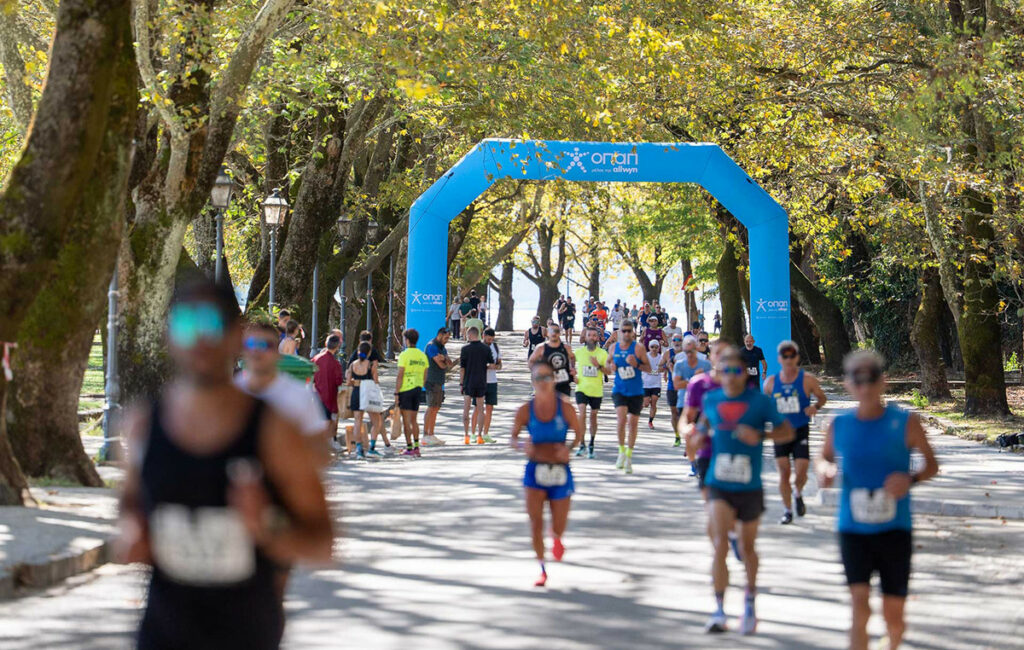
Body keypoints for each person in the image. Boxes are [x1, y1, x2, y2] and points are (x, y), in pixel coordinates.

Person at [118, 277, 332, 650]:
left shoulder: (275, 431)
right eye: (186, 324)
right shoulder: (141, 426)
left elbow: (323, 543)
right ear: (169, 335)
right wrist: (130, 537)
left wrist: (267, 527)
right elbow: (130, 510)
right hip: (161, 635)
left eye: (213, 323)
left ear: (235, 336)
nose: (200, 338)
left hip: (246, 633)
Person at [818, 350, 938, 650]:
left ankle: (892, 643)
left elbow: (931, 465)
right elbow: (823, 458)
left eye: (870, 377)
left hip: (894, 529)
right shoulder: (839, 424)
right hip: (853, 529)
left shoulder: (905, 422)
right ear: (847, 383)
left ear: (882, 381)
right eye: (857, 379)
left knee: (893, 614)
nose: (865, 386)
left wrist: (909, 479)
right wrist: (827, 470)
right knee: (859, 606)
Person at [693, 346, 794, 635]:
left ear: (745, 373)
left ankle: (749, 601)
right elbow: (702, 427)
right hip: (718, 484)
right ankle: (719, 609)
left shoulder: (760, 402)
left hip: (749, 486)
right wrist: (696, 438)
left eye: (736, 370)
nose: (731, 376)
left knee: (747, 549)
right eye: (725, 371)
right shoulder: (711, 399)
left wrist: (760, 435)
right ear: (719, 373)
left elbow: (786, 432)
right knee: (720, 545)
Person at [509, 359, 584, 588]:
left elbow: (578, 434)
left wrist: (568, 449)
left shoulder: (566, 407)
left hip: (560, 471)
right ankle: (542, 567)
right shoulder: (525, 410)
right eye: (538, 378)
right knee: (535, 523)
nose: (542, 382)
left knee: (558, 524)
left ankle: (557, 537)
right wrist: (523, 446)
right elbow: (512, 439)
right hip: (535, 470)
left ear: (554, 380)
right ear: (532, 381)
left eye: (547, 377)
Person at [235, 322, 330, 468]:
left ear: (276, 352)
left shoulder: (299, 396)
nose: (257, 351)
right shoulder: (230, 393)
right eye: (251, 344)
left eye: (265, 345)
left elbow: (320, 453)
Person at [763, 340, 827, 524]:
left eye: (792, 356)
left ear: (797, 358)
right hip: (780, 433)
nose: (789, 359)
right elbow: (764, 405)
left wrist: (815, 407)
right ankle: (787, 510)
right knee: (783, 473)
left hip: (800, 430)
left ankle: (798, 492)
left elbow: (822, 398)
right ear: (779, 359)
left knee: (801, 473)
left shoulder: (807, 380)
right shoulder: (771, 383)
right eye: (785, 356)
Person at [605, 319, 651, 474]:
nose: (626, 333)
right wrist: (611, 367)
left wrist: (636, 364)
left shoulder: (638, 349)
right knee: (621, 419)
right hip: (619, 389)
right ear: (619, 332)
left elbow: (649, 368)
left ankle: (629, 456)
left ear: (633, 332)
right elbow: (606, 366)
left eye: (628, 331)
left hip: (636, 391)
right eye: (623, 331)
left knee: (633, 423)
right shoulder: (613, 347)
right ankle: (621, 451)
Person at [347, 342, 389, 459]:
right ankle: (372, 448)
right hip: (368, 393)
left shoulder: (352, 365)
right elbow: (375, 380)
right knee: (376, 422)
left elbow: (348, 381)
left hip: (356, 392)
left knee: (357, 422)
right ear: (369, 352)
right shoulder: (370, 365)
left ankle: (359, 450)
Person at [574, 327, 609, 459]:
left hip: (596, 390)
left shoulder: (602, 354)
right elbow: (570, 364)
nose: (592, 338)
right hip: (581, 388)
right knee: (582, 413)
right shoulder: (579, 352)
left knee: (593, 416)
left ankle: (592, 444)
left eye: (595, 335)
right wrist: (573, 374)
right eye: (590, 335)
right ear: (585, 337)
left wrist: (598, 366)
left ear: (598, 338)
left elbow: (609, 371)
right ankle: (582, 443)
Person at [394, 329, 428, 457]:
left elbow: (400, 375)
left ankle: (409, 448)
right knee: (414, 420)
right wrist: (421, 384)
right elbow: (425, 374)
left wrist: (397, 393)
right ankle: (417, 447)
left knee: (406, 421)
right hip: (417, 389)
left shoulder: (404, 355)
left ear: (407, 340)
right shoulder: (422, 355)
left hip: (405, 389)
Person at [672, 336, 711, 448]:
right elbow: (676, 385)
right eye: (687, 351)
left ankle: (695, 451)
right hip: (684, 402)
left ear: (697, 349)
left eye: (692, 351)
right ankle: (691, 451)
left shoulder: (705, 365)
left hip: (702, 403)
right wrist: (695, 378)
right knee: (689, 432)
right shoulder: (679, 365)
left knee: (701, 434)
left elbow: (709, 385)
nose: (689, 354)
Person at [460, 326, 494, 445]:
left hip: (468, 382)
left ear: (469, 335)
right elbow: (491, 363)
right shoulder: (485, 348)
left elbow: (462, 368)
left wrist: (461, 383)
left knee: (466, 410)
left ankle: (466, 435)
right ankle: (479, 435)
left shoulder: (465, 349)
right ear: (479, 335)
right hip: (481, 381)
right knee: (480, 409)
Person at [312, 335, 345, 455]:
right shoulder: (335, 364)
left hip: (316, 392)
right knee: (328, 420)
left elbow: (310, 375)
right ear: (337, 347)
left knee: (320, 418)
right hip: (330, 395)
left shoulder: (316, 358)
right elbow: (338, 381)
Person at [422, 328, 453, 446]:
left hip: (440, 381)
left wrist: (444, 358)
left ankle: (431, 433)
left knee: (436, 408)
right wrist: (444, 360)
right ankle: (425, 435)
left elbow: (448, 364)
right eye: (446, 338)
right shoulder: (431, 346)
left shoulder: (442, 348)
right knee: (431, 407)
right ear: (440, 335)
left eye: (448, 338)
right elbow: (441, 365)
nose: (447, 340)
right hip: (431, 380)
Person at [529, 323, 575, 398]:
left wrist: (572, 367)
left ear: (560, 333)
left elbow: (572, 357)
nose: (554, 333)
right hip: (547, 383)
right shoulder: (541, 348)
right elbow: (531, 361)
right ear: (547, 333)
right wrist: (536, 372)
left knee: (563, 408)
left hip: (563, 383)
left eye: (556, 331)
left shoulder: (566, 348)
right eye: (551, 331)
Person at [482, 328, 502, 443]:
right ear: (483, 336)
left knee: (490, 408)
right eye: (488, 339)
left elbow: (500, 364)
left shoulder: (495, 347)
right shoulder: (478, 347)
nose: (490, 341)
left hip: (492, 381)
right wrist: (486, 366)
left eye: (491, 339)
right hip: (480, 381)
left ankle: (486, 433)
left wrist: (496, 366)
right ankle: (474, 433)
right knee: (478, 408)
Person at [641, 340, 667, 430]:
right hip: (646, 384)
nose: (654, 349)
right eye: (652, 347)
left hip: (656, 384)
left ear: (659, 348)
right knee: (646, 403)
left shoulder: (661, 357)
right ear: (649, 347)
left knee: (654, 402)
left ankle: (650, 421)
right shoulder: (646, 356)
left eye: (656, 347)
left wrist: (663, 371)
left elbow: (663, 368)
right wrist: (655, 371)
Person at [665, 333, 684, 435]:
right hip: (672, 386)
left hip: (684, 387)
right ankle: (677, 435)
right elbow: (659, 366)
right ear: (672, 341)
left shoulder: (687, 353)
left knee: (683, 412)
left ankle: (684, 432)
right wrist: (666, 367)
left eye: (679, 340)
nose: (677, 342)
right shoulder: (668, 353)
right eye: (675, 340)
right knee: (674, 412)